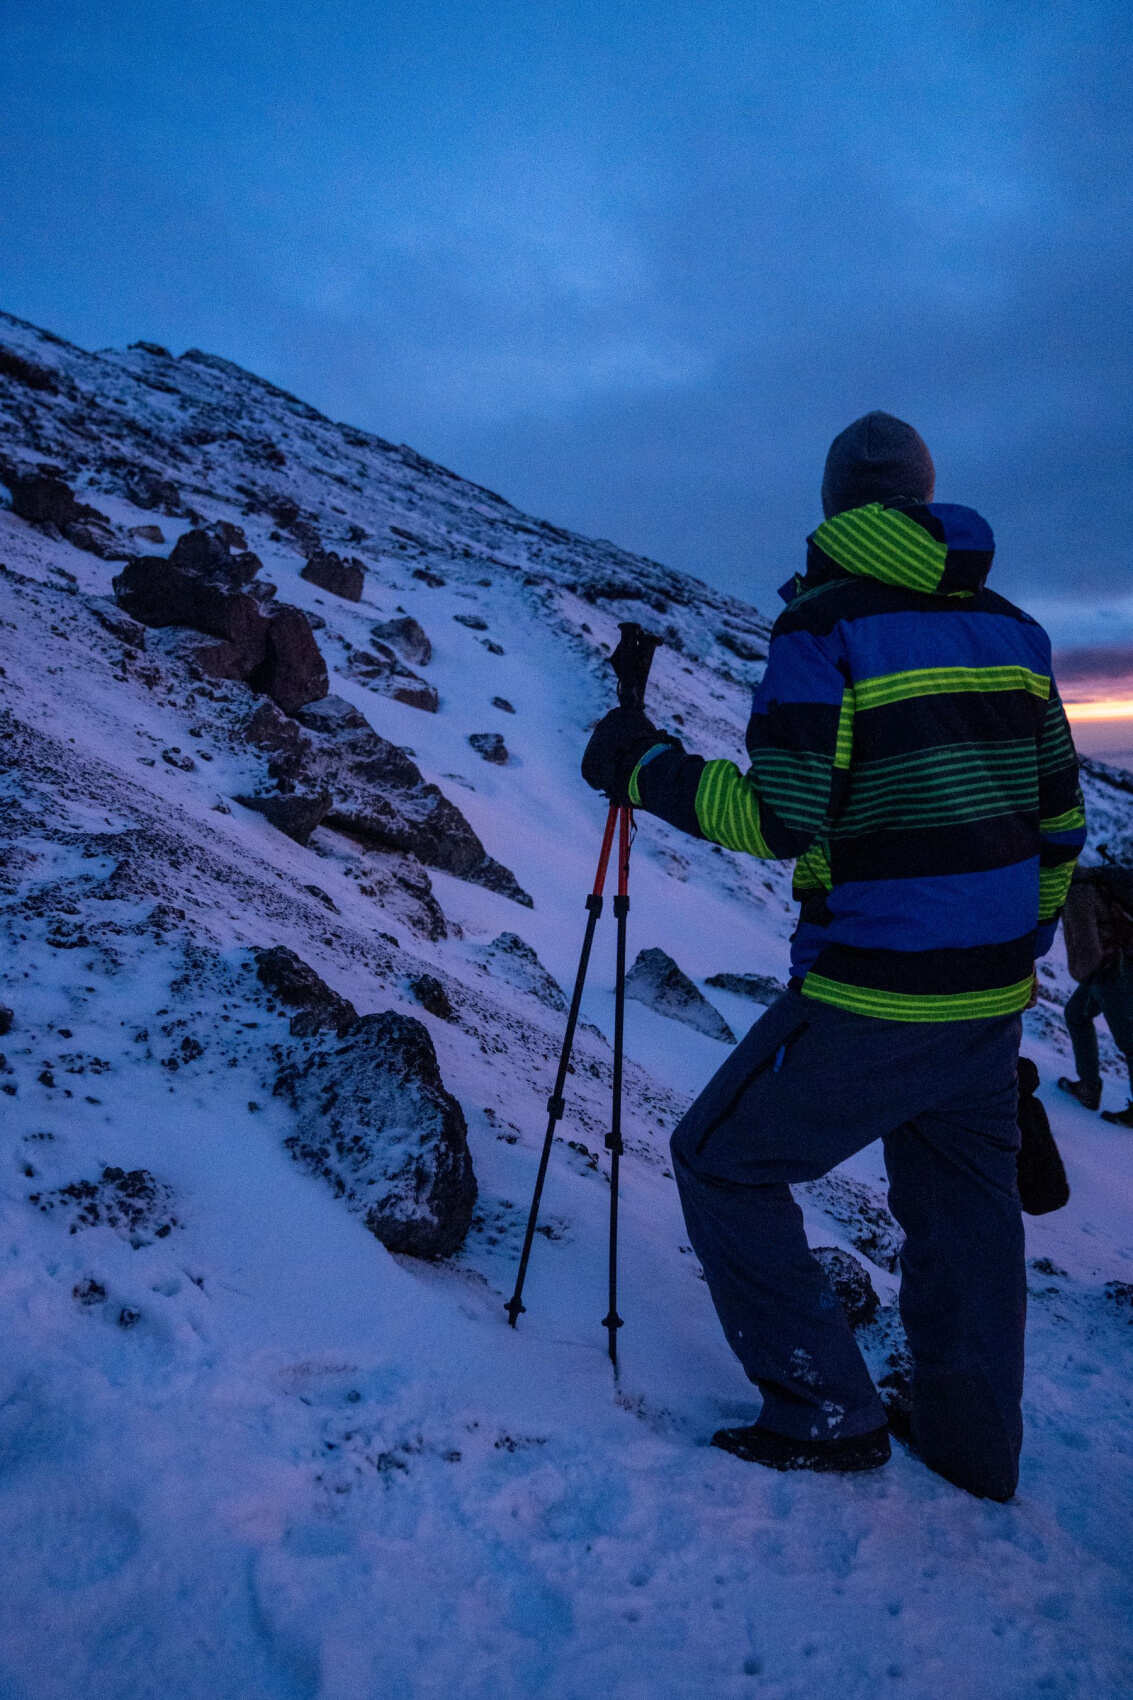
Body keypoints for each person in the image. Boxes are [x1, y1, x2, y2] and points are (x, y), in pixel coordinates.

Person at [582, 411, 1086, 1500]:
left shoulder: (824, 629)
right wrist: (1008, 952)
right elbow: (1059, 826)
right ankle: (968, 1441)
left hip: (872, 989)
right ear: (922, 498)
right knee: (964, 1215)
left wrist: (644, 768)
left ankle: (825, 1406)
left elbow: (782, 816)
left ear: (831, 509)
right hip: (988, 994)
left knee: (720, 1157)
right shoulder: (1013, 631)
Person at [1057, 865, 1133, 1126]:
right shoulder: (1094, 879)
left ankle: (1093, 1090)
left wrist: (1086, 975)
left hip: (1113, 967)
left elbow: (1087, 945)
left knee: (1129, 1039)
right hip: (1116, 961)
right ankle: (1088, 1087)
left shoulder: (1076, 889)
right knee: (1076, 1014)